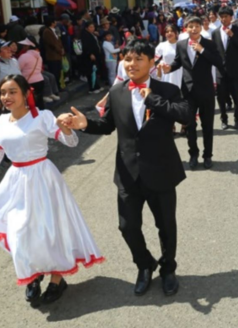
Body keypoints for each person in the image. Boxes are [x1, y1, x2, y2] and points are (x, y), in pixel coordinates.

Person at [0, 74, 102, 304]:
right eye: (3, 92)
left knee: (51, 229)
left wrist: (67, 128)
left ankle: (56, 278)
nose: (6, 97)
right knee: (20, 231)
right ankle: (33, 274)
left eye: (13, 91)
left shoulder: (41, 117)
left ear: (26, 94)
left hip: (44, 178)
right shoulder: (2, 122)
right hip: (16, 181)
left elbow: (71, 143)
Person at [63, 39, 189, 296]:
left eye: (138, 59)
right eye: (128, 59)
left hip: (161, 170)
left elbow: (184, 115)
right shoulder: (117, 91)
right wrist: (85, 124)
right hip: (128, 172)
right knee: (127, 226)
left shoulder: (166, 90)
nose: (132, 64)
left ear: (151, 62)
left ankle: (168, 269)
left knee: (166, 226)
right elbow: (108, 125)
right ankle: (144, 265)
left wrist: (152, 100)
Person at [161, 18, 223, 169]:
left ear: (201, 28)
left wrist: (202, 50)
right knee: (189, 125)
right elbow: (178, 62)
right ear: (185, 29)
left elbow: (218, 61)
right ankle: (193, 154)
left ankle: (208, 155)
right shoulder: (181, 45)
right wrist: (169, 68)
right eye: (190, 26)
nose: (193, 29)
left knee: (207, 125)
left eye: (196, 26)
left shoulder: (208, 44)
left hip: (206, 91)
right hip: (188, 92)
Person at [212, 6, 238, 130]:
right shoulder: (215, 33)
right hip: (221, 71)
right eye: (221, 17)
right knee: (221, 98)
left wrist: (232, 36)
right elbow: (214, 51)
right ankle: (224, 120)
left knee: (237, 97)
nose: (223, 19)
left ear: (231, 17)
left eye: (226, 16)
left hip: (235, 70)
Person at [17, 39, 47, 108]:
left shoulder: (24, 56)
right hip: (40, 79)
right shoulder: (38, 56)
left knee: (31, 103)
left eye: (24, 46)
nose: (23, 47)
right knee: (40, 101)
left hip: (29, 82)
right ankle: (42, 116)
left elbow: (17, 68)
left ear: (28, 46)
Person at [80, 21, 104, 94]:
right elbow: (86, 46)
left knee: (95, 71)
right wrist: (90, 54)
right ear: (87, 28)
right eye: (91, 27)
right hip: (89, 57)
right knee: (91, 72)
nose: (92, 28)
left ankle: (97, 86)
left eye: (93, 27)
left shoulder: (92, 34)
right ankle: (92, 88)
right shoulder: (85, 35)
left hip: (96, 55)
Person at [41, 17, 64, 85]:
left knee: (59, 72)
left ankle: (58, 85)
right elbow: (52, 43)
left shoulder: (54, 30)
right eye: (55, 21)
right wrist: (59, 50)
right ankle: (55, 87)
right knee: (54, 72)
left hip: (58, 55)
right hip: (52, 55)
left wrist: (62, 48)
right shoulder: (47, 31)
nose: (56, 23)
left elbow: (58, 40)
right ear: (52, 23)